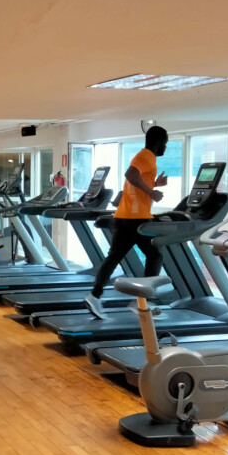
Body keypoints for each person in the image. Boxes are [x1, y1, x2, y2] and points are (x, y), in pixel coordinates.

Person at [84, 126, 169, 319]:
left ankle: (94, 296)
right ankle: (143, 301)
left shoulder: (144, 157)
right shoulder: (146, 156)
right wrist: (152, 192)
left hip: (123, 216)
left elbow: (135, 181)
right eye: (165, 142)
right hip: (137, 218)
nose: (165, 146)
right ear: (158, 142)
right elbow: (130, 175)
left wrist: (155, 183)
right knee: (155, 255)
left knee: (114, 257)